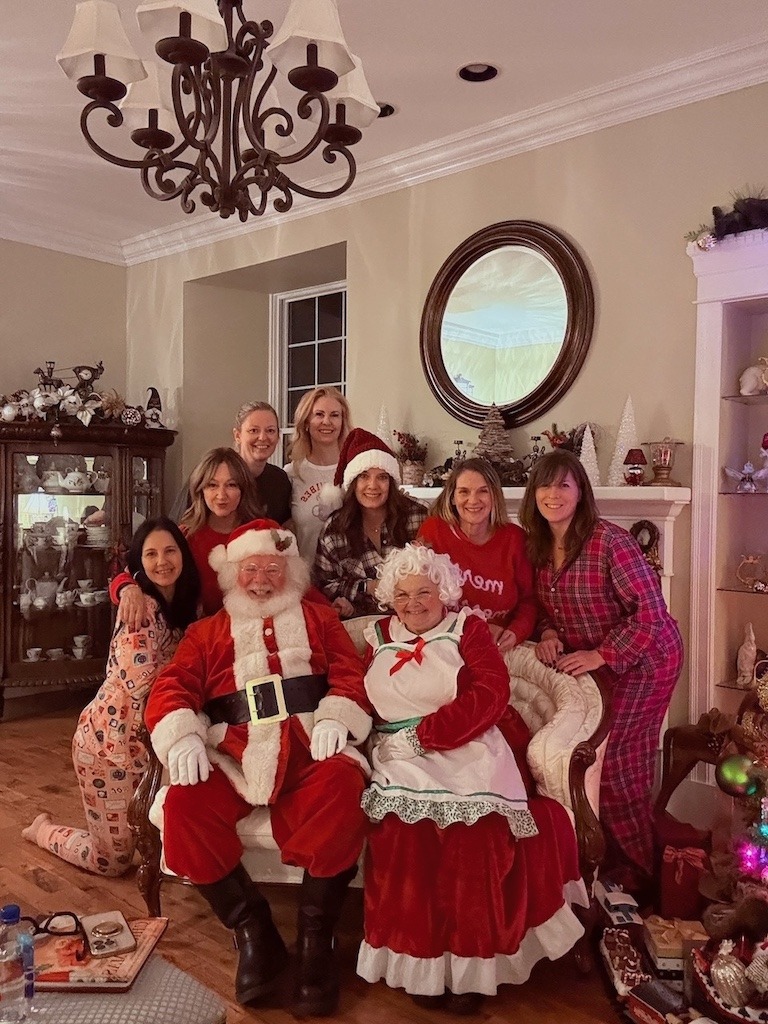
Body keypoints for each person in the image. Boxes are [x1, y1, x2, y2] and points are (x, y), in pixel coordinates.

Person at [143, 519, 372, 1015]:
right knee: (183, 808)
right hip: (235, 752)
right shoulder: (206, 633)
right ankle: (255, 933)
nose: (262, 578)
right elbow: (173, 685)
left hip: (310, 745)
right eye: (251, 569)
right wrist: (181, 733)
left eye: (273, 567)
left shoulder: (320, 619)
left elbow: (350, 674)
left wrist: (338, 713)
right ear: (233, 574)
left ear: (289, 572)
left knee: (342, 789)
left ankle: (317, 942)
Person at [356, 544, 588, 1013]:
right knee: (405, 834)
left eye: (424, 591)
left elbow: (490, 691)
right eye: (402, 594)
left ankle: (469, 968)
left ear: (443, 592)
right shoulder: (376, 634)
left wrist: (430, 734)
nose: (414, 603)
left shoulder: (468, 628)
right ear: (389, 597)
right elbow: (359, 698)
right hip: (397, 755)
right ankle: (420, 964)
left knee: (476, 836)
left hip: (467, 743)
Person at [519, 449, 684, 896]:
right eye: (545, 485)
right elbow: (543, 608)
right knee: (593, 758)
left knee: (618, 763)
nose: (553, 494)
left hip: (647, 659)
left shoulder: (610, 541)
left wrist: (602, 656)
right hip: (594, 664)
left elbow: (650, 613)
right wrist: (549, 633)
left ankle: (637, 877)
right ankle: (605, 867)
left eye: (564, 485)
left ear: (580, 493)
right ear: (534, 494)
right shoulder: (535, 546)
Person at [22, 517, 200, 876]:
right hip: (108, 748)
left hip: (149, 747)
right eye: (150, 554)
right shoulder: (140, 608)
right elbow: (139, 681)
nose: (162, 561)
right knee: (113, 862)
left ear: (183, 555)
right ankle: (41, 830)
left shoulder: (186, 606)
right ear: (139, 563)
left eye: (169, 551)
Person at [112, 448, 262, 627]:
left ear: (242, 489)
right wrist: (129, 589)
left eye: (231, 485)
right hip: (196, 637)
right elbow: (128, 574)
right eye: (212, 485)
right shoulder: (184, 535)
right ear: (200, 490)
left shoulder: (260, 535)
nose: (221, 495)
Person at [417, 457, 537, 652]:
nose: (473, 500)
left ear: (494, 497)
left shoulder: (515, 539)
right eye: (464, 492)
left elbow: (530, 601)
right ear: (453, 498)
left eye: (483, 491)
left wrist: (516, 632)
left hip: (499, 644)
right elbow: (419, 594)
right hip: (445, 640)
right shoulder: (433, 531)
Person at [313, 428, 427, 618]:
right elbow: (325, 585)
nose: (373, 486)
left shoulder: (419, 515)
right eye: (364, 476)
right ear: (352, 482)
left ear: (391, 482)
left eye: (382, 477)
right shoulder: (334, 530)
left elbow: (440, 572)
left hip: (415, 621)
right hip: (360, 623)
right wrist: (366, 587)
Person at [169, 401, 292, 525]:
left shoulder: (280, 481)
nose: (262, 437)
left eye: (270, 431)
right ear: (237, 435)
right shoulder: (209, 473)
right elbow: (176, 529)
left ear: (278, 436)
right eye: (254, 430)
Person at [284, 386, 351, 561]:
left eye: (335, 415)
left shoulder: (355, 470)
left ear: (343, 421)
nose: (327, 421)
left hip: (349, 580)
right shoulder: (292, 473)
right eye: (319, 414)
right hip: (306, 580)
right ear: (306, 422)